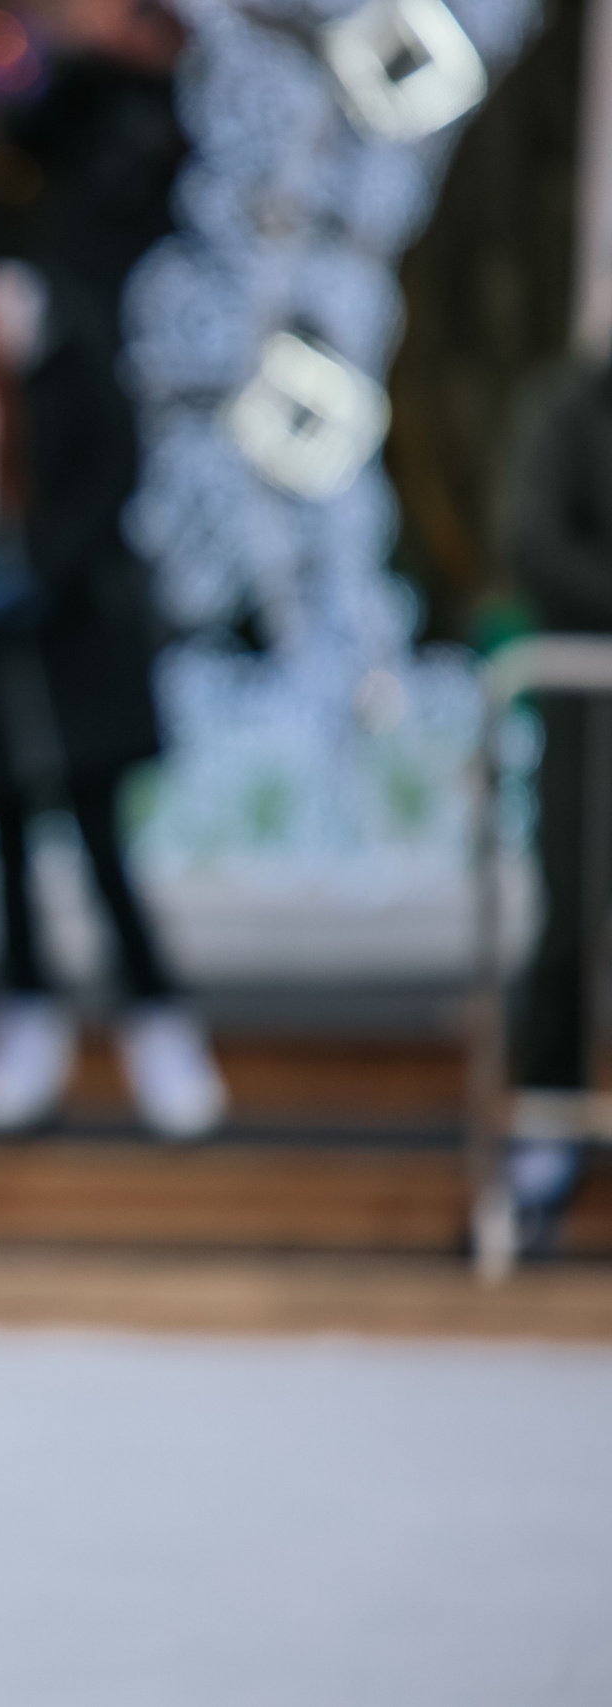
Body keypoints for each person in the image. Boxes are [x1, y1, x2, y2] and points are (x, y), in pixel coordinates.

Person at [0, 0, 227, 1139]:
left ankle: (159, 1031)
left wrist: (47, 568)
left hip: (80, 620)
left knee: (102, 839)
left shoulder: (78, 327)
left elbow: (109, 470)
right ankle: (23, 1026)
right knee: (9, 835)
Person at [496, 355, 612, 1254]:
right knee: (571, 916)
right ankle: (546, 1123)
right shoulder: (567, 411)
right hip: (587, 718)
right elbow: (531, 538)